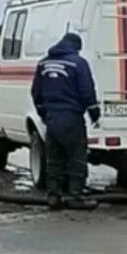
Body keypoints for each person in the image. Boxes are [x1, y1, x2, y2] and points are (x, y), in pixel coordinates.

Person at [30, 31, 100, 209]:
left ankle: (54, 196)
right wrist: (94, 113)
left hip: (52, 119)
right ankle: (75, 196)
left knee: (54, 160)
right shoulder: (78, 63)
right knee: (76, 158)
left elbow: (36, 92)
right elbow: (86, 91)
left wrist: (44, 114)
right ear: (76, 47)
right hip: (71, 118)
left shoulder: (43, 64)